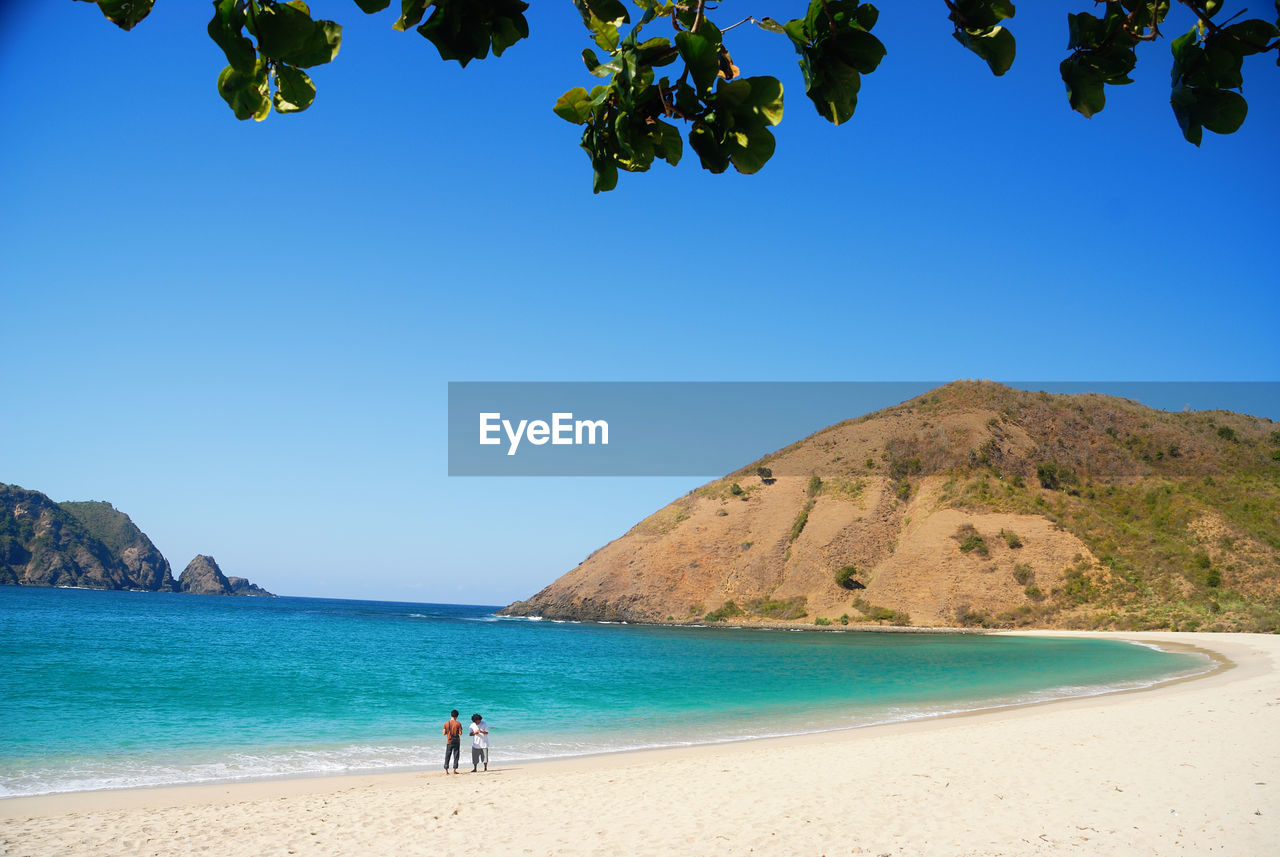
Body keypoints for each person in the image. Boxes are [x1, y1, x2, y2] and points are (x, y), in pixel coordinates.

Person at [443, 709, 463, 774]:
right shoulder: (458, 723)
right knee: (456, 755)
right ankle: (454, 770)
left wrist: (448, 732)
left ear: (451, 715)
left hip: (449, 741)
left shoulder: (446, 723)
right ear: (457, 716)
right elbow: (460, 733)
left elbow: (444, 733)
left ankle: (446, 770)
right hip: (456, 741)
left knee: (448, 755)